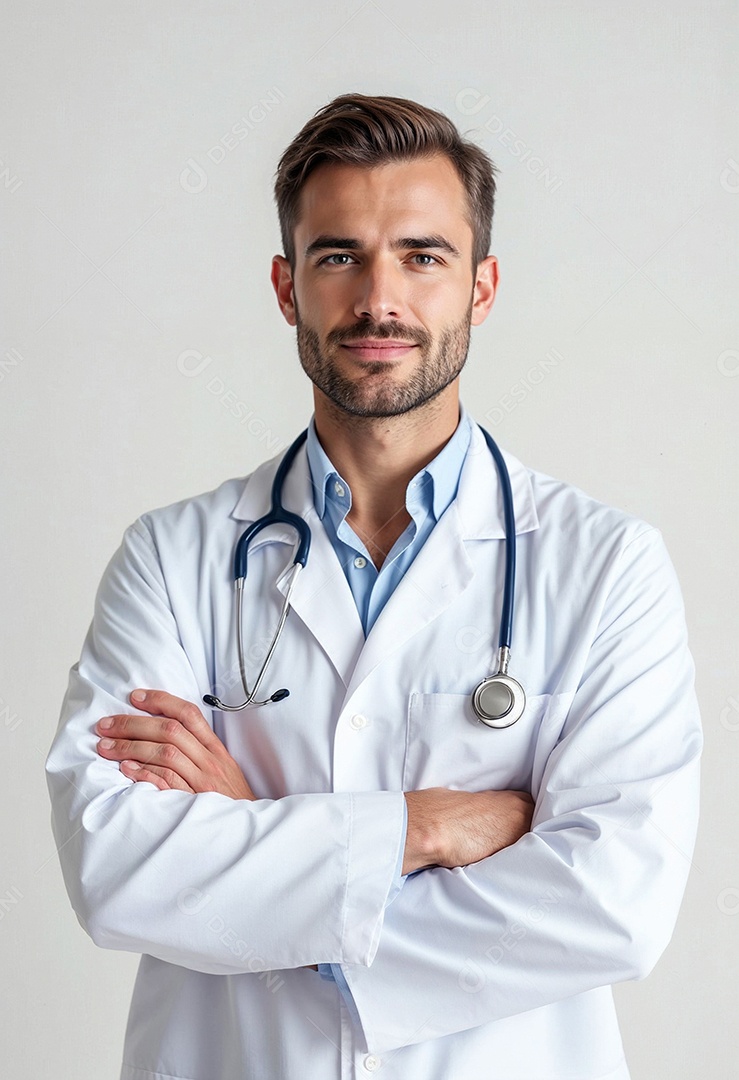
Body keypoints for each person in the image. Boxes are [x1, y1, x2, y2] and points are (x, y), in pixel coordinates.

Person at [45, 93, 702, 1080]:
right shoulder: (172, 557)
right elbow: (119, 869)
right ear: (285, 285)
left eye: (422, 256)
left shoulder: (605, 564)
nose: (378, 299)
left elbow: (611, 903)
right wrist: (427, 826)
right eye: (338, 255)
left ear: (481, 287)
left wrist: (257, 840)